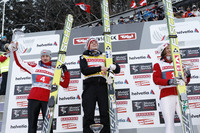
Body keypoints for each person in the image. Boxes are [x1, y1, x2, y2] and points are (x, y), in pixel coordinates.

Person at [9, 42, 70, 133]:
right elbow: (20, 63)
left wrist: (66, 72)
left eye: (47, 56)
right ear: (41, 57)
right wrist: (15, 50)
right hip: (33, 99)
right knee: (32, 125)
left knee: (48, 127)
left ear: (50, 57)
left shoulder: (54, 71)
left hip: (47, 100)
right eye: (43, 56)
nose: (45, 58)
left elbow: (65, 84)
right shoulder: (34, 67)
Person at [79, 37, 120, 133]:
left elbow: (117, 70)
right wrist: (100, 68)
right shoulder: (83, 56)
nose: (94, 43)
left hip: (103, 85)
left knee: (105, 113)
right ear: (88, 45)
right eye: (92, 42)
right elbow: (84, 70)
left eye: (95, 42)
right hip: (90, 86)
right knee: (88, 113)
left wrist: (114, 66)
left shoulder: (104, 55)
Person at [153, 43, 191, 133]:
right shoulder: (158, 64)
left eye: (171, 48)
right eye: (167, 49)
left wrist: (188, 75)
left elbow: (185, 82)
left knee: (186, 121)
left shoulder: (179, 63)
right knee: (169, 123)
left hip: (180, 95)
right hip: (166, 95)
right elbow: (156, 80)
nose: (169, 50)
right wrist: (170, 81)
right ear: (163, 51)